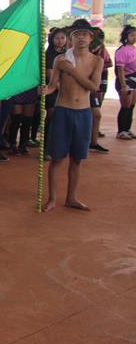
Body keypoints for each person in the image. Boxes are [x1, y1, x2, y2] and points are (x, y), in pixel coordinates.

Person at [42, 19, 102, 213]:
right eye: (76, 34)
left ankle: (71, 198)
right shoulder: (60, 59)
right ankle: (52, 198)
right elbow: (52, 86)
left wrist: (73, 71)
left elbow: (93, 87)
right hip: (63, 110)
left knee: (77, 159)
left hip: (83, 113)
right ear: (71, 38)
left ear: (90, 37)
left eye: (84, 34)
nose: (81, 37)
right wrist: (45, 90)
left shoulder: (96, 60)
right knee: (57, 158)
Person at [89, 29, 110, 153]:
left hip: (91, 88)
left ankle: (93, 142)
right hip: (76, 91)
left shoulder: (99, 55)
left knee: (97, 115)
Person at [114, 25, 136, 139]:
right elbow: (120, 70)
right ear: (126, 37)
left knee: (131, 106)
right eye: (132, 35)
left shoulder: (133, 49)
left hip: (134, 80)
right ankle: (121, 131)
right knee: (125, 106)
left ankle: (127, 129)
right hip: (126, 80)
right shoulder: (122, 50)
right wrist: (123, 85)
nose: (134, 37)